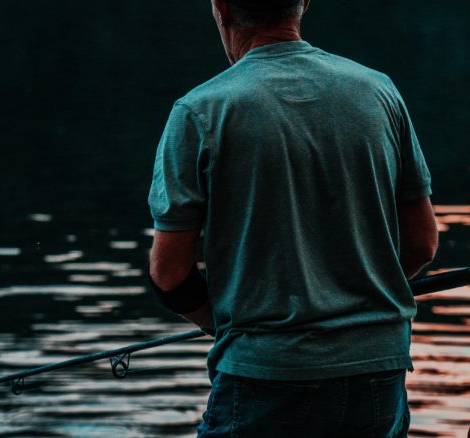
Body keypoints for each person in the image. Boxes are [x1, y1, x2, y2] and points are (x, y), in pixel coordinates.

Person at [146, 0, 439, 436]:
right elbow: (422, 244)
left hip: (264, 372)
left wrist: (219, 321)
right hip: (377, 371)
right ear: (303, 3)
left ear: (221, 8)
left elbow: (169, 272)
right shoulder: (379, 93)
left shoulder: (199, 112)